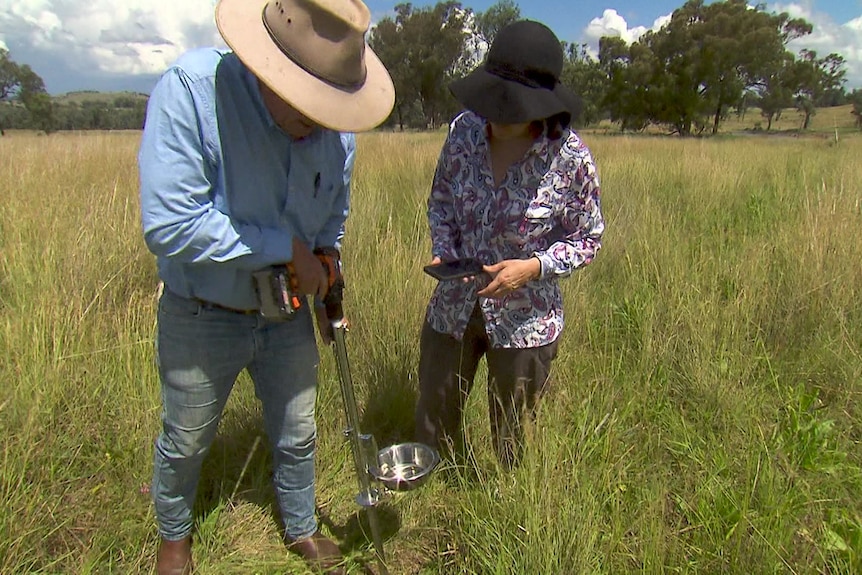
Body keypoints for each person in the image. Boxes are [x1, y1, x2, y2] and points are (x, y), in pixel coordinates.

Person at [138, 0, 394, 573]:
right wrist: (286, 249)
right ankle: (175, 536)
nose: (322, 124)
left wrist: (326, 269)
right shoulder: (191, 92)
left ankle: (300, 525)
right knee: (186, 436)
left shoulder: (335, 129)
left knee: (298, 428)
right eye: (308, 108)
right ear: (264, 69)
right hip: (203, 310)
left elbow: (333, 216)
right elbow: (171, 224)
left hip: (287, 313)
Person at [414, 20, 605, 470]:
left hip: (526, 319)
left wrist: (533, 267)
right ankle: (439, 486)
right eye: (493, 103)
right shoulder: (463, 132)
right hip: (454, 303)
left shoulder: (570, 158)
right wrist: (445, 247)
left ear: (542, 108)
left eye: (512, 108)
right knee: (436, 408)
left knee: (514, 430)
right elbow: (440, 200)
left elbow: (588, 237)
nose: (497, 117)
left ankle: (505, 500)